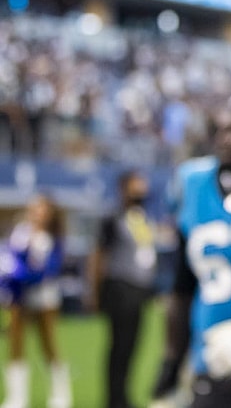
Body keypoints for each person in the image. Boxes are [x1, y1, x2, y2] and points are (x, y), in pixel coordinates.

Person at [150, 100, 231, 408]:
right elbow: (182, 287)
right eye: (220, 130)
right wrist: (171, 361)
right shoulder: (193, 185)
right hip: (212, 366)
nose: (224, 138)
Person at [84, 170, 158, 408]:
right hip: (120, 288)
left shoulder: (141, 217)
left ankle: (123, 396)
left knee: (133, 345)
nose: (141, 190)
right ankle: (114, 399)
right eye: (136, 185)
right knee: (119, 346)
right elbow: (98, 256)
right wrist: (93, 292)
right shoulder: (113, 218)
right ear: (124, 188)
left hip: (139, 290)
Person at [0, 194, 72, 408]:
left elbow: (51, 268)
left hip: (44, 295)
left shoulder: (53, 237)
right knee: (15, 343)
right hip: (19, 295)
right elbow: (9, 258)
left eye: (41, 209)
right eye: (34, 208)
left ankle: (60, 395)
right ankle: (17, 397)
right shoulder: (19, 232)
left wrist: (29, 274)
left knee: (48, 343)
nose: (36, 213)